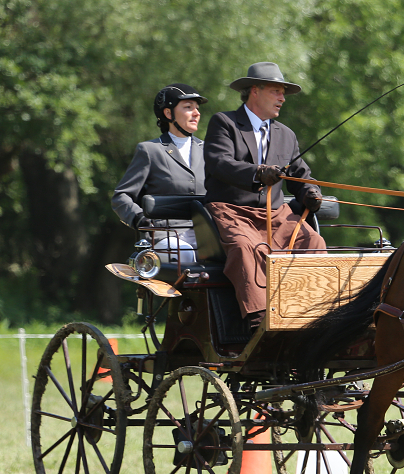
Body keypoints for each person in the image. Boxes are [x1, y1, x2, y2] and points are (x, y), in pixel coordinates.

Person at [203, 62, 326, 328]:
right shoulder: (224, 123)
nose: (282, 98)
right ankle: (260, 321)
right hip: (232, 210)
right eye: (276, 91)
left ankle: (311, 313)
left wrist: (311, 193)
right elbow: (219, 163)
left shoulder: (286, 134)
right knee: (245, 247)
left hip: (277, 214)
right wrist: (258, 172)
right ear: (254, 91)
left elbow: (300, 176)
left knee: (313, 242)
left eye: (283, 92)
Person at [111, 84, 207, 263]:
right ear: (168, 114)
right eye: (188, 107)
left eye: (197, 108)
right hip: (165, 236)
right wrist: (139, 218)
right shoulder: (150, 150)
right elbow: (120, 197)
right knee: (185, 255)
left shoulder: (209, 150)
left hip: (207, 233)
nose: (196, 113)